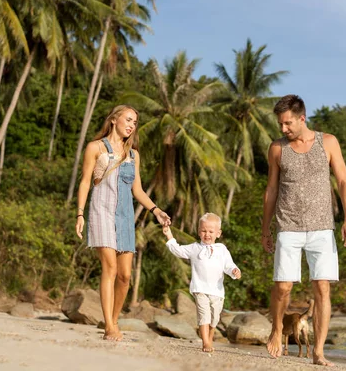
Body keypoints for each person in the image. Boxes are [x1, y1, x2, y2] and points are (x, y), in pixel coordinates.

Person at [261, 95, 346, 366]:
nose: (283, 129)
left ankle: (318, 351)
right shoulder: (277, 148)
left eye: (288, 123)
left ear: (302, 118)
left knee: (322, 288)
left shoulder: (328, 142)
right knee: (283, 287)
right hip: (287, 225)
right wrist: (265, 229)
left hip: (322, 227)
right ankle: (277, 329)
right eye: (280, 124)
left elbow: (343, 181)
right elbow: (271, 189)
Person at [75, 105, 171, 341]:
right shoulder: (95, 148)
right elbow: (86, 182)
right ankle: (109, 325)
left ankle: (114, 319)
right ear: (114, 119)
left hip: (125, 216)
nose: (131, 125)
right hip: (101, 212)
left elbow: (136, 189)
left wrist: (156, 210)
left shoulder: (133, 155)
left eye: (135, 122)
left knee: (125, 276)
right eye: (128, 119)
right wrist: (79, 213)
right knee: (110, 267)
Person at [162, 213, 241, 353]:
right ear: (199, 232)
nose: (207, 234)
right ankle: (205, 342)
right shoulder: (194, 248)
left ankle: (209, 337)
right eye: (204, 231)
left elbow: (228, 265)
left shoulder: (222, 249)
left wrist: (234, 270)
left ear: (218, 233)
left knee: (215, 318)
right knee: (204, 315)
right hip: (200, 288)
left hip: (217, 291)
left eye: (211, 231)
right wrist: (169, 235)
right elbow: (178, 250)